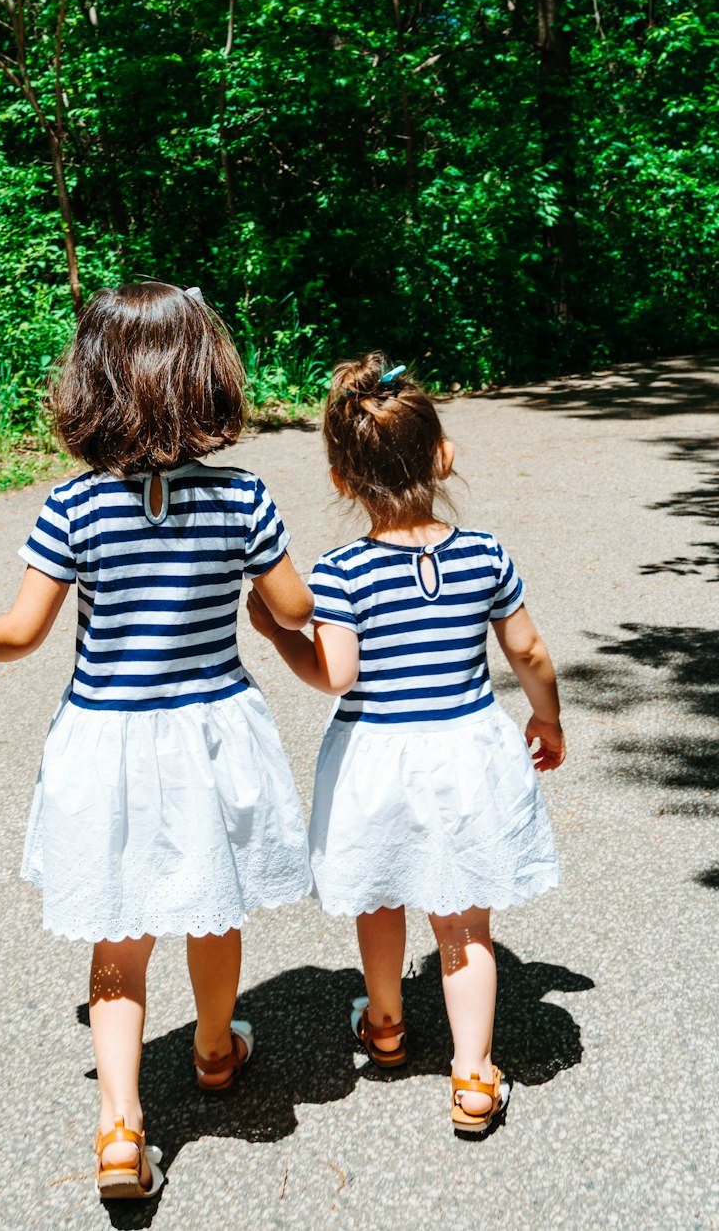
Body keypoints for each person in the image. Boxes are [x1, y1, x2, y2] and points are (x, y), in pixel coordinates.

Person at [0, 282, 313, 1198]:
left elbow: (25, 629)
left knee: (118, 937)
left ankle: (120, 1129)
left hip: (106, 735)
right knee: (213, 904)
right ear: (204, 377)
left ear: (93, 382)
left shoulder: (74, 508)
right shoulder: (244, 498)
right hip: (211, 730)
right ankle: (211, 1048)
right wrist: (270, 620)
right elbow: (294, 608)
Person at [248, 352, 564, 1136]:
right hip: (465, 752)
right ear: (443, 454)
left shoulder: (344, 570)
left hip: (376, 760)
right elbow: (527, 652)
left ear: (340, 480)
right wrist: (548, 720)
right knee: (463, 924)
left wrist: (277, 637)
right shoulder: (486, 553)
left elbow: (337, 674)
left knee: (383, 894)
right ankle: (473, 1076)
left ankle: (385, 1026)